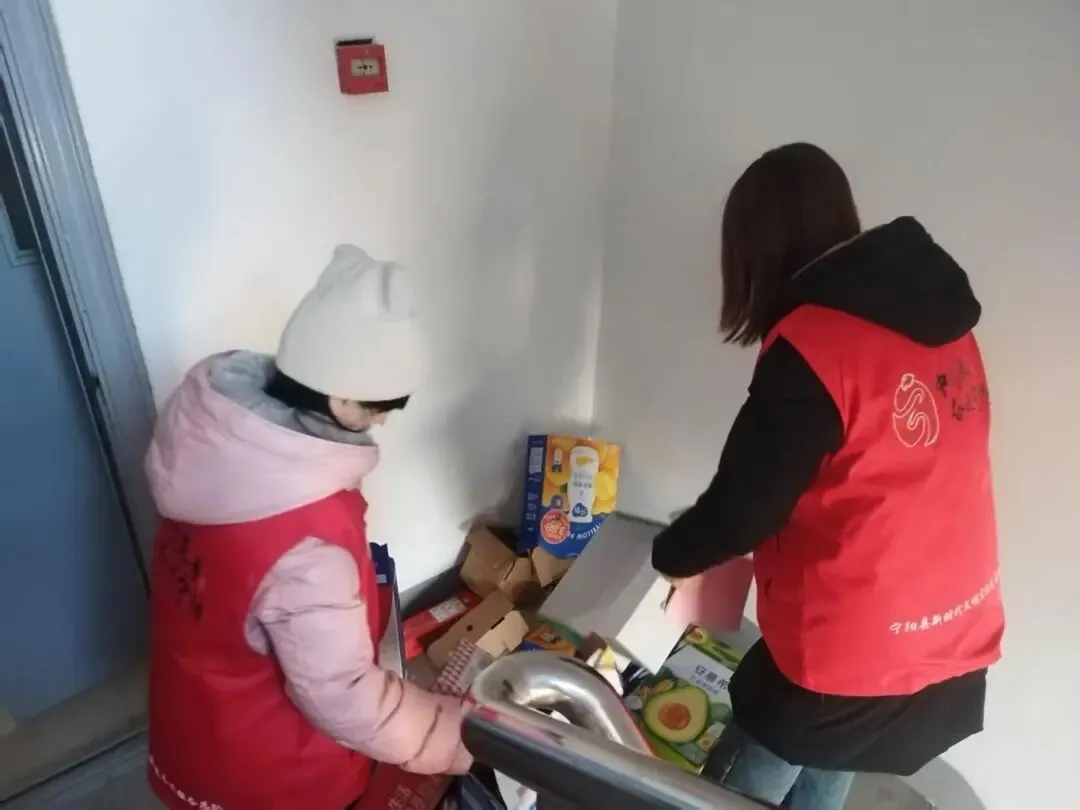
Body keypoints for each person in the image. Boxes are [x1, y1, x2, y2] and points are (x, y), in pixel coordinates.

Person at [652, 144, 1004, 810]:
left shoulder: (815, 343)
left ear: (755, 248)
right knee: (833, 750)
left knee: (736, 776)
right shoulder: (944, 322)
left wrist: (670, 555)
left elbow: (742, 510)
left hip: (855, 652)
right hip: (950, 632)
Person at [145, 245, 472, 810]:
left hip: (194, 724)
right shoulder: (306, 542)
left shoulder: (214, 449)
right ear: (340, 396)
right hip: (272, 773)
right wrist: (457, 737)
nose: (382, 421)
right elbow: (345, 698)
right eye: (379, 407)